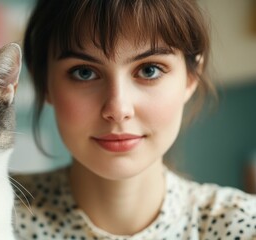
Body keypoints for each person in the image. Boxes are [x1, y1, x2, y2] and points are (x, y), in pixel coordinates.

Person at [13, 0, 256, 239]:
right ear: (44, 83)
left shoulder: (242, 226)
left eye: (149, 69)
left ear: (191, 77)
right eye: (84, 72)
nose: (118, 108)